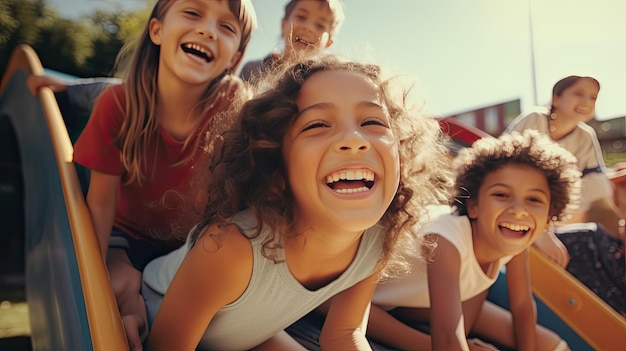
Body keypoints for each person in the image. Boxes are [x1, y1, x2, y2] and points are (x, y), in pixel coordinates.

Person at [141, 54, 452, 350]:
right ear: (276, 169)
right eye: (317, 125)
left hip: (249, 334)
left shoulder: (378, 238)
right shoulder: (232, 247)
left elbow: (345, 333)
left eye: (372, 122)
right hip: (154, 315)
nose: (354, 140)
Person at [67, 1, 257, 350]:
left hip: (190, 245)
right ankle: (129, 317)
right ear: (156, 30)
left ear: (234, 57)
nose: (208, 30)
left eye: (226, 27)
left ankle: (143, 316)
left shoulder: (233, 106)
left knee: (203, 301)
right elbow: (100, 204)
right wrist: (91, 276)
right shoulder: (119, 104)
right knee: (120, 280)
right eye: (192, 13)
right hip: (126, 235)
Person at [368, 130, 579, 351]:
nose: (519, 211)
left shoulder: (512, 241)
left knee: (554, 346)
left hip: (417, 303)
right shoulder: (444, 240)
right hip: (366, 303)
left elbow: (522, 307)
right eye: (501, 195)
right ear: (473, 206)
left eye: (533, 199)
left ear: (548, 218)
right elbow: (448, 337)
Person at [506, 76, 625, 317]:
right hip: (517, 202)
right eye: (578, 94)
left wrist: (617, 223)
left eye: (592, 97)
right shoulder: (534, 120)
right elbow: (506, 174)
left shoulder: (585, 135)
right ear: (556, 98)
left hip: (554, 206)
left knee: (610, 220)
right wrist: (541, 229)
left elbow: (596, 186)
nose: (586, 101)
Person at [239, 0, 344, 83]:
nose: (309, 28)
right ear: (283, 24)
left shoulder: (325, 82)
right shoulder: (253, 70)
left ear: (328, 43)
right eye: (301, 17)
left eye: (320, 25)